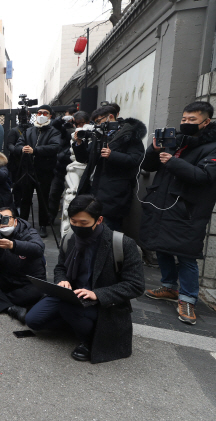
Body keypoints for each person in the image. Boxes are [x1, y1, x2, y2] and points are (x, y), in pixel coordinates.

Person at [25, 195, 144, 363]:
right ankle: (78, 324)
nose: (78, 227)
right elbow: (60, 268)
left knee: (68, 309)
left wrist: (98, 294)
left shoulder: (122, 243)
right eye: (73, 222)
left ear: (99, 220)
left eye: (84, 223)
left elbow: (136, 285)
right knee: (33, 321)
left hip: (104, 304)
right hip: (72, 294)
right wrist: (62, 280)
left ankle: (89, 340)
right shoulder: (70, 239)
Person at [141, 101, 216, 325]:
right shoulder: (175, 141)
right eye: (184, 119)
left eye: (192, 120)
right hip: (162, 206)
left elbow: (204, 176)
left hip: (187, 211)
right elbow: (150, 165)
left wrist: (173, 162)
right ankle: (169, 287)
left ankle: (187, 298)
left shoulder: (212, 147)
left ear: (206, 122)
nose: (186, 123)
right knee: (162, 248)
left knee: (186, 256)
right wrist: (154, 151)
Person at [73, 106, 146, 231]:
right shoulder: (101, 133)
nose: (97, 124)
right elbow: (84, 158)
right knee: (94, 227)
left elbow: (136, 159)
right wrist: (79, 143)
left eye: (98, 121)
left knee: (110, 228)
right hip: (94, 188)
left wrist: (112, 155)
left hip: (114, 191)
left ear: (110, 117)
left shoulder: (129, 134)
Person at [0, 207, 45, 323]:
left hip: (28, 281)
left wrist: (13, 245)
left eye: (6, 219)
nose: (3, 222)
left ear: (15, 221)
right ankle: (10, 308)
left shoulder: (28, 232)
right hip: (6, 278)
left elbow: (38, 249)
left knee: (39, 291)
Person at [14, 104, 62, 238]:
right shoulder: (29, 131)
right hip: (28, 169)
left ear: (50, 116)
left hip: (44, 171)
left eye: (45, 113)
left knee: (43, 199)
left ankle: (43, 225)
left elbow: (55, 147)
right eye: (39, 113)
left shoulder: (54, 131)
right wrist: (22, 149)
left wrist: (35, 151)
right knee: (25, 199)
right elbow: (18, 144)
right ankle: (22, 224)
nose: (41, 115)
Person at [48, 107, 77, 220]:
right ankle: (50, 219)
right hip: (60, 170)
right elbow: (54, 125)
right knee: (53, 195)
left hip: (75, 169)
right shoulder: (65, 130)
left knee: (73, 197)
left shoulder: (84, 130)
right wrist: (63, 119)